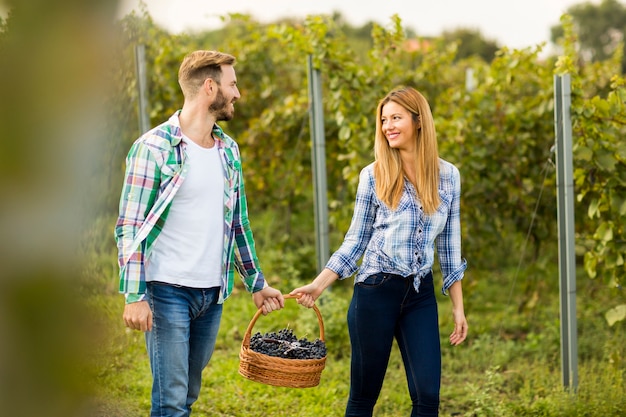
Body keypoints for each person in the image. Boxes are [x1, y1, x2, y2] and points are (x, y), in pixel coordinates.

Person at [115, 50, 285, 417]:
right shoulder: (154, 148)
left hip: (213, 293)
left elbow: (238, 222)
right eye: (232, 84)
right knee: (172, 400)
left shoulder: (228, 151)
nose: (237, 93)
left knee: (188, 393)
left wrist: (257, 282)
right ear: (210, 87)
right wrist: (133, 295)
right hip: (166, 291)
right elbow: (130, 226)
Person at [290, 86, 468, 417]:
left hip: (419, 295)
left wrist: (458, 308)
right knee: (363, 397)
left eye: (396, 118)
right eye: (384, 120)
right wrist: (318, 284)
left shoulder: (448, 177)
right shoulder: (373, 175)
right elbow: (355, 241)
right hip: (375, 293)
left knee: (428, 396)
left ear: (418, 121)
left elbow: (450, 249)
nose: (388, 126)